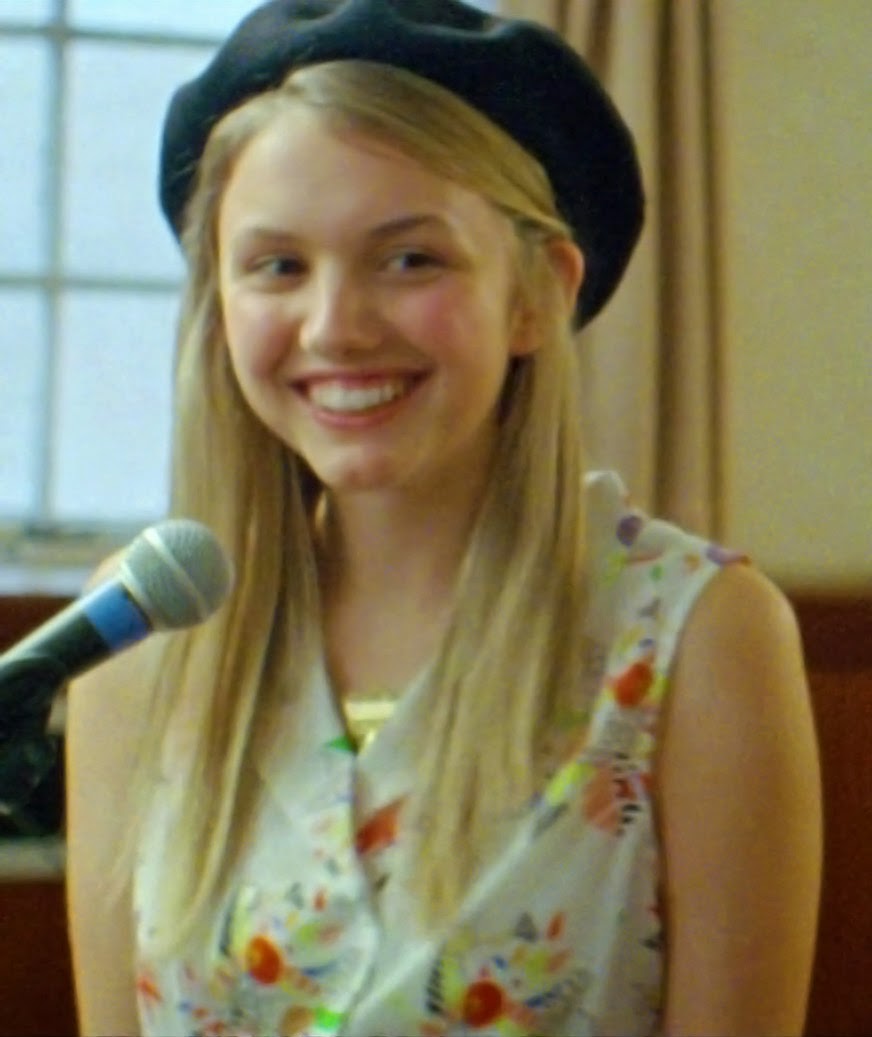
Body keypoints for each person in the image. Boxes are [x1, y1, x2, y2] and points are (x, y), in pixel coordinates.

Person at [65, 1, 822, 1035]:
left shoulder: (697, 637)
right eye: (278, 266)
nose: (335, 327)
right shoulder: (140, 644)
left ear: (538, 294)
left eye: (409, 258)